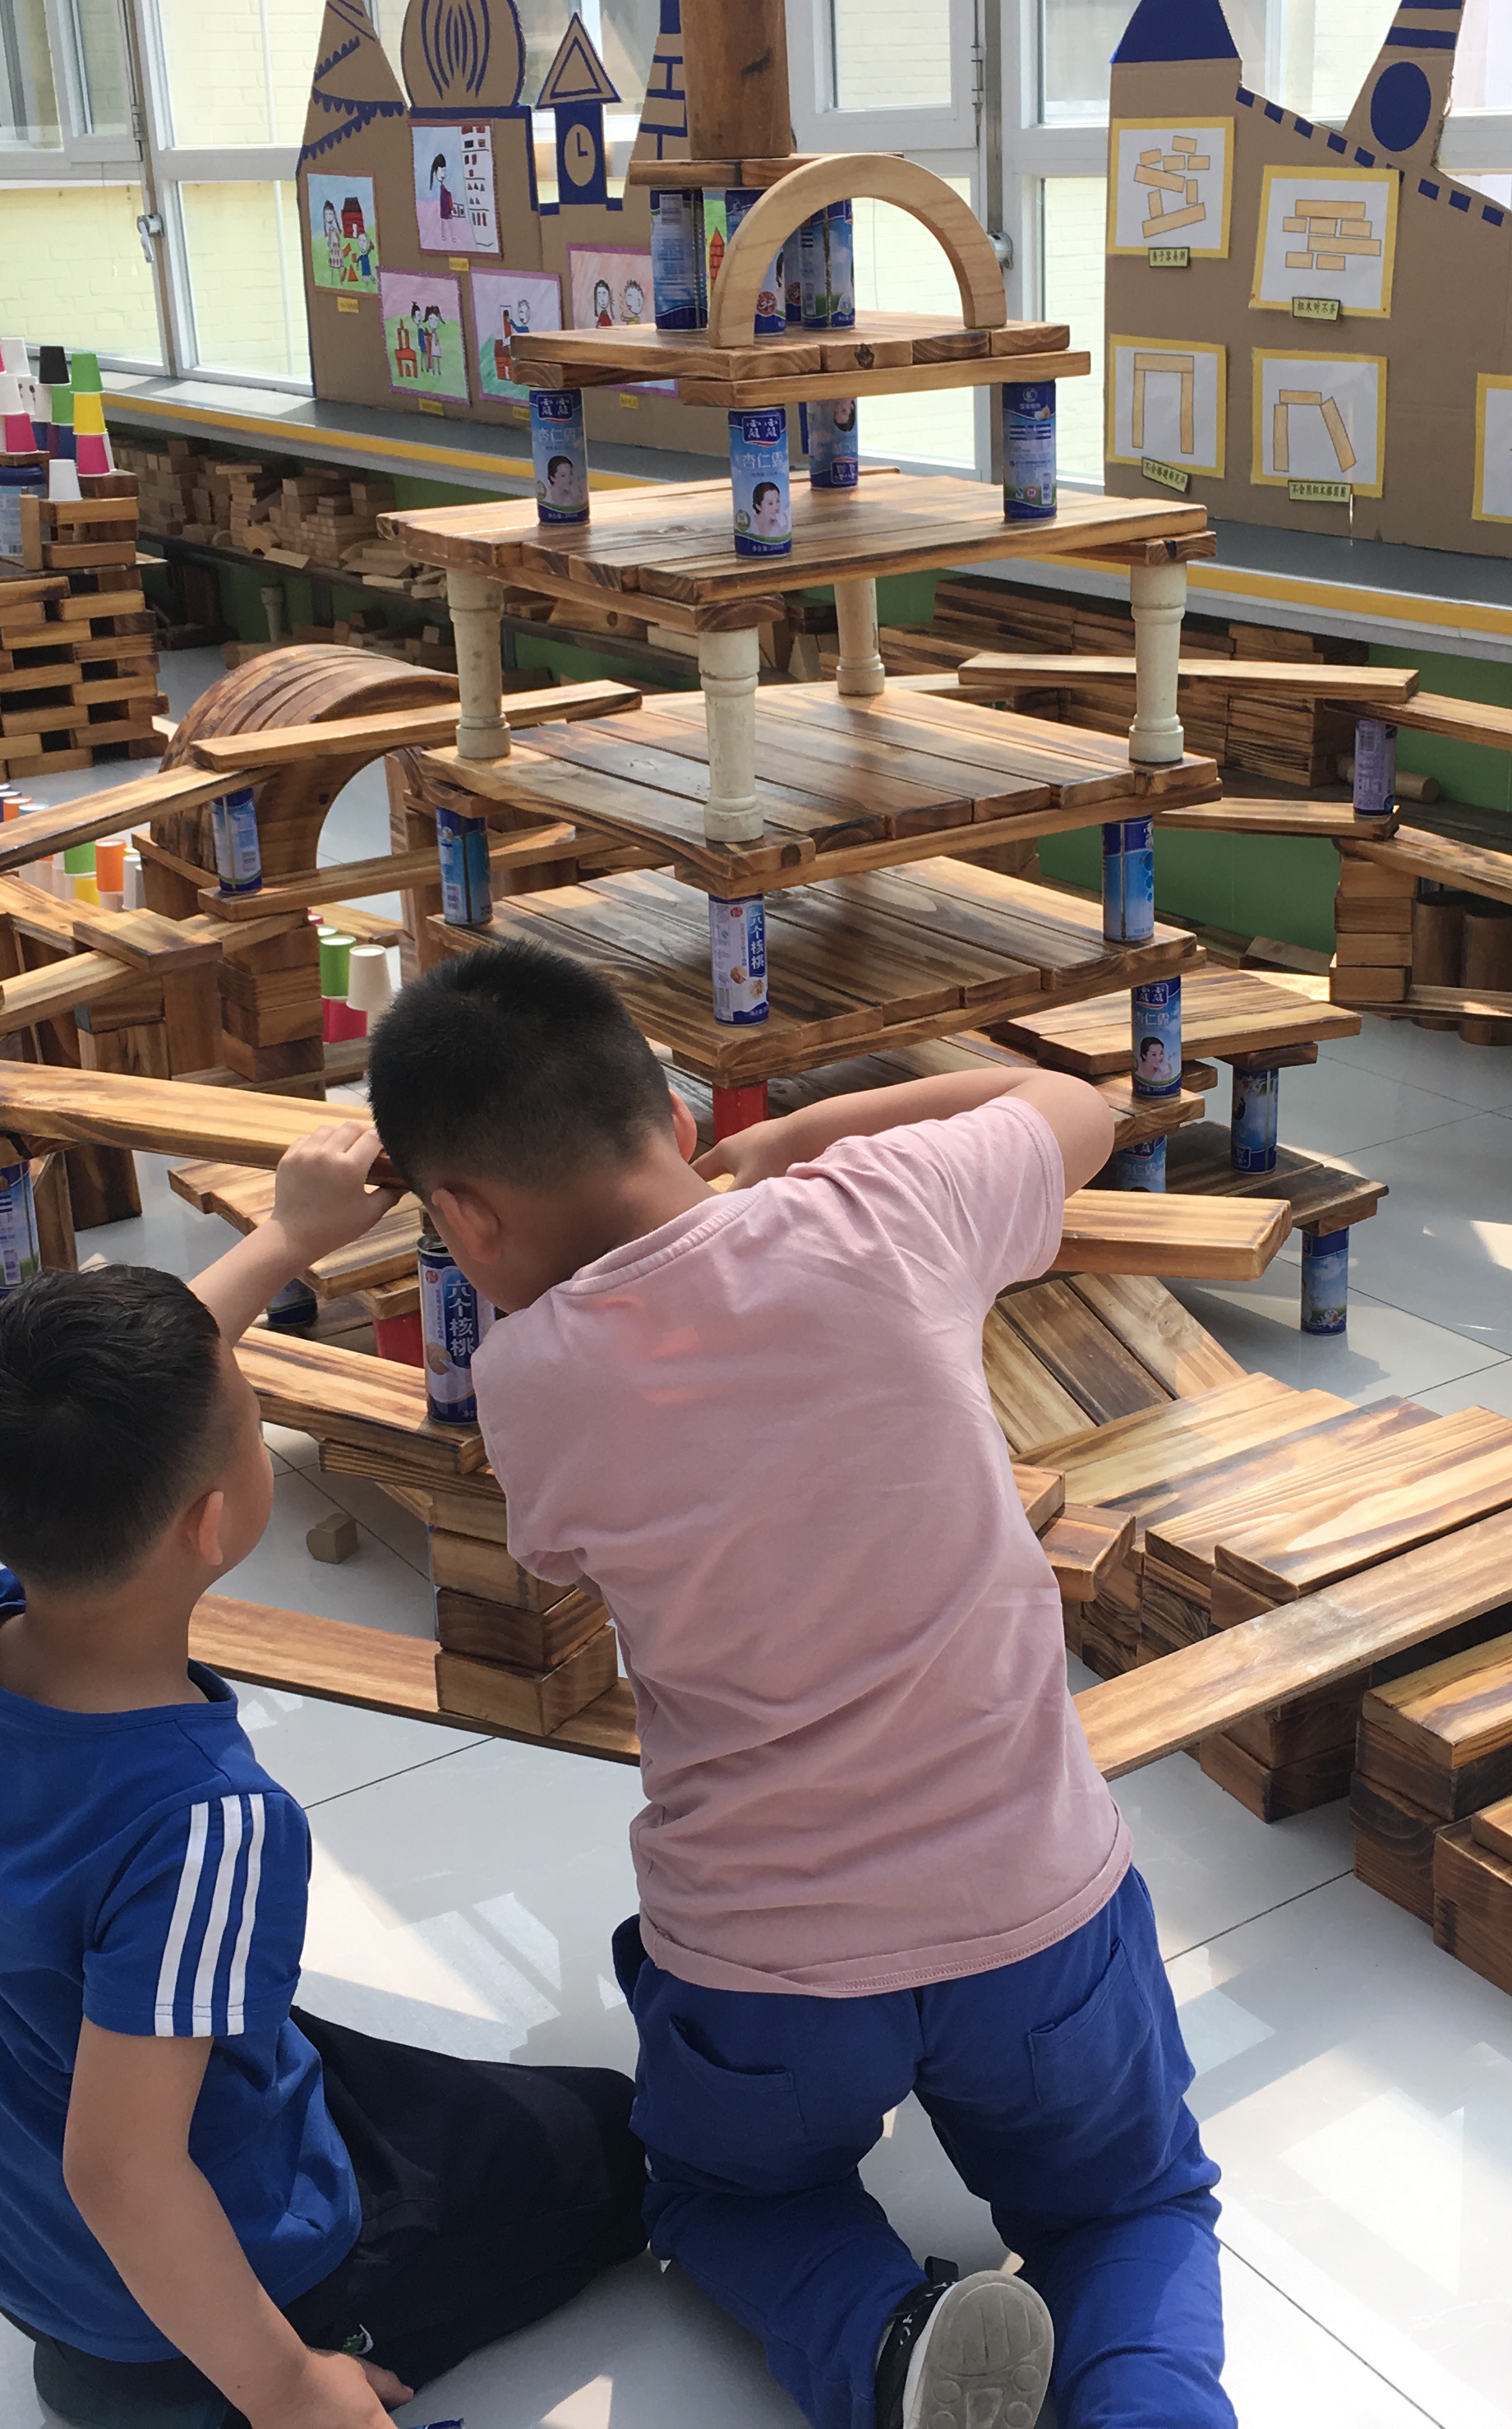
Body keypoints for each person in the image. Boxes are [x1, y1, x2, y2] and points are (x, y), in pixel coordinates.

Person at [366, 945, 1231, 2429]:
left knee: (719, 2194)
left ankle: (888, 2342)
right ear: (674, 1117)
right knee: (1130, 2206)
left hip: (766, 1963)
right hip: (1035, 1912)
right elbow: (1078, 1106)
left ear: (467, 1215)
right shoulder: (886, 1206)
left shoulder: (530, 1381)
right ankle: (1152, 2408)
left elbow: (564, 1550)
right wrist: (817, 1135)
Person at [0, 1123, 648, 2429]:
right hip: (153, 2263)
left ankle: (134, 2352)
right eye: (249, 1415)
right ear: (211, 1521)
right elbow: (124, 2173)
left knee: (367, 2078)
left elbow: (116, 1406)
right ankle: (198, 2380)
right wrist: (294, 2391)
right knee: (620, 2148)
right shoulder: (207, 1823)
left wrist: (290, 1237)